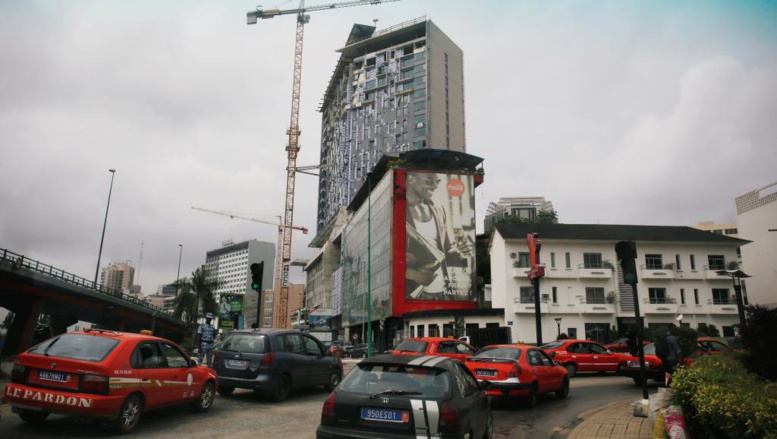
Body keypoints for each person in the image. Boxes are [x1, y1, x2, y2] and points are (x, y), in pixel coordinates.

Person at [405, 172, 474, 300]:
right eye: (430, 181)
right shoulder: (398, 210)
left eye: (438, 181)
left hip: (444, 292)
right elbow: (389, 260)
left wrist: (460, 252)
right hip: (413, 295)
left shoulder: (438, 209)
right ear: (412, 179)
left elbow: (446, 253)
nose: (435, 186)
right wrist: (412, 274)